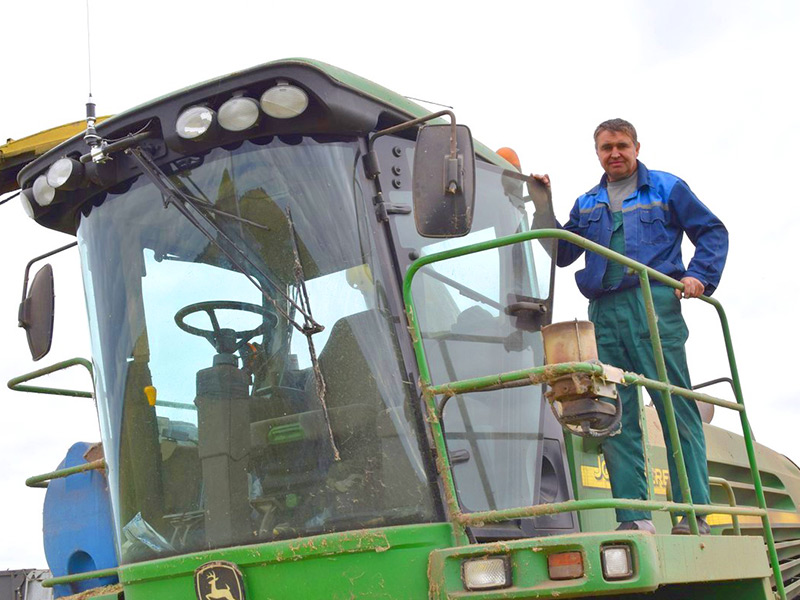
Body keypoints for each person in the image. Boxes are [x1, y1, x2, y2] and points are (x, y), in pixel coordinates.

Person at [533, 119, 728, 535]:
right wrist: (542, 206)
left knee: (674, 406)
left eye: (622, 145)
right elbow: (562, 253)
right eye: (606, 147)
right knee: (613, 412)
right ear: (597, 153)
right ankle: (635, 518)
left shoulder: (666, 188)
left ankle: (691, 516)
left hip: (654, 304)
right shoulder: (587, 203)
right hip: (603, 312)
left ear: (637, 147)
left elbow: (711, 231)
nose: (615, 153)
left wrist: (700, 276)